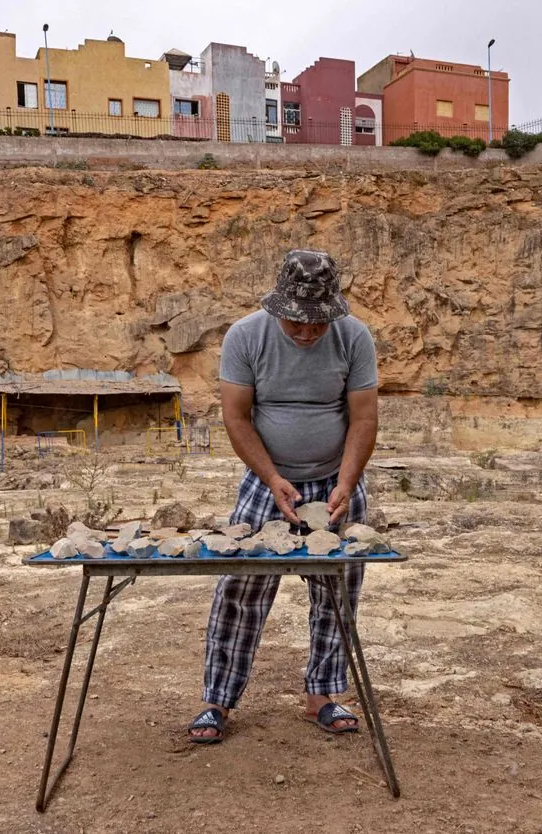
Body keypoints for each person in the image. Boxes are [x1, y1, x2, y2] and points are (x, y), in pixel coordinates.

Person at [187, 248, 379, 744]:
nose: (306, 332)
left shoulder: (354, 336)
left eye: (317, 324)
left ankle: (324, 695)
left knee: (337, 593)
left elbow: (363, 417)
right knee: (240, 590)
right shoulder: (245, 336)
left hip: (336, 480)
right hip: (265, 482)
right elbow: (236, 416)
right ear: (278, 306)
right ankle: (217, 700)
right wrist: (271, 477)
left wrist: (348, 481)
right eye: (296, 322)